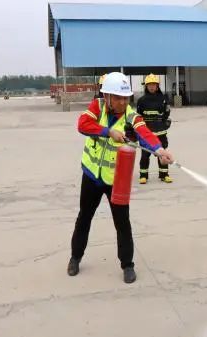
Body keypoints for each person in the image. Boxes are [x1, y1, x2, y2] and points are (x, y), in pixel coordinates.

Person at [68, 72, 175, 284]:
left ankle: (127, 265)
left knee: (122, 223)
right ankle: (75, 258)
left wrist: (159, 150)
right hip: (91, 176)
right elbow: (82, 125)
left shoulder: (131, 116)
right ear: (107, 96)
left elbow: (144, 133)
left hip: (116, 180)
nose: (123, 102)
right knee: (84, 218)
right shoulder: (97, 106)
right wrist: (108, 132)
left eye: (126, 98)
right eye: (118, 98)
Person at [136, 74, 172, 184]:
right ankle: (143, 176)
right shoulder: (141, 100)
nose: (152, 87)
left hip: (161, 131)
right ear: (146, 86)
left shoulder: (163, 99)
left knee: (162, 154)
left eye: (154, 84)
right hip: (146, 132)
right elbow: (138, 116)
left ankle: (164, 175)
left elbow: (167, 112)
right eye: (149, 85)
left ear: (157, 86)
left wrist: (164, 122)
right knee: (145, 155)